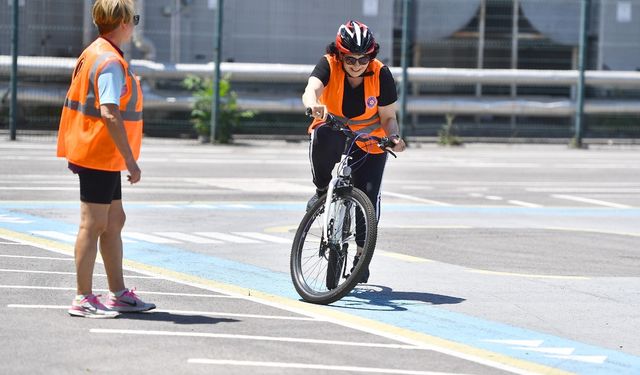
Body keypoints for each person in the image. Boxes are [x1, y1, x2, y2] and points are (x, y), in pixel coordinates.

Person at [57, 0, 155, 318]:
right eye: (134, 19)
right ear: (123, 23)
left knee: (114, 222)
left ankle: (119, 293)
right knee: (94, 223)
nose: (134, 25)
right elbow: (109, 111)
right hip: (98, 151)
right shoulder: (109, 61)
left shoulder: (97, 50)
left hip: (102, 152)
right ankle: (82, 297)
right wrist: (131, 160)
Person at [301, 20, 407, 283]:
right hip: (336, 128)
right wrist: (314, 104)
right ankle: (322, 190)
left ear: (371, 56)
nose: (356, 64)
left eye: (363, 58)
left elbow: (389, 117)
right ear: (339, 54)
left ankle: (361, 255)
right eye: (350, 58)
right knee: (323, 134)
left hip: (370, 138)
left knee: (369, 197)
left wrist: (393, 137)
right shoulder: (328, 64)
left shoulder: (381, 74)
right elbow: (311, 88)